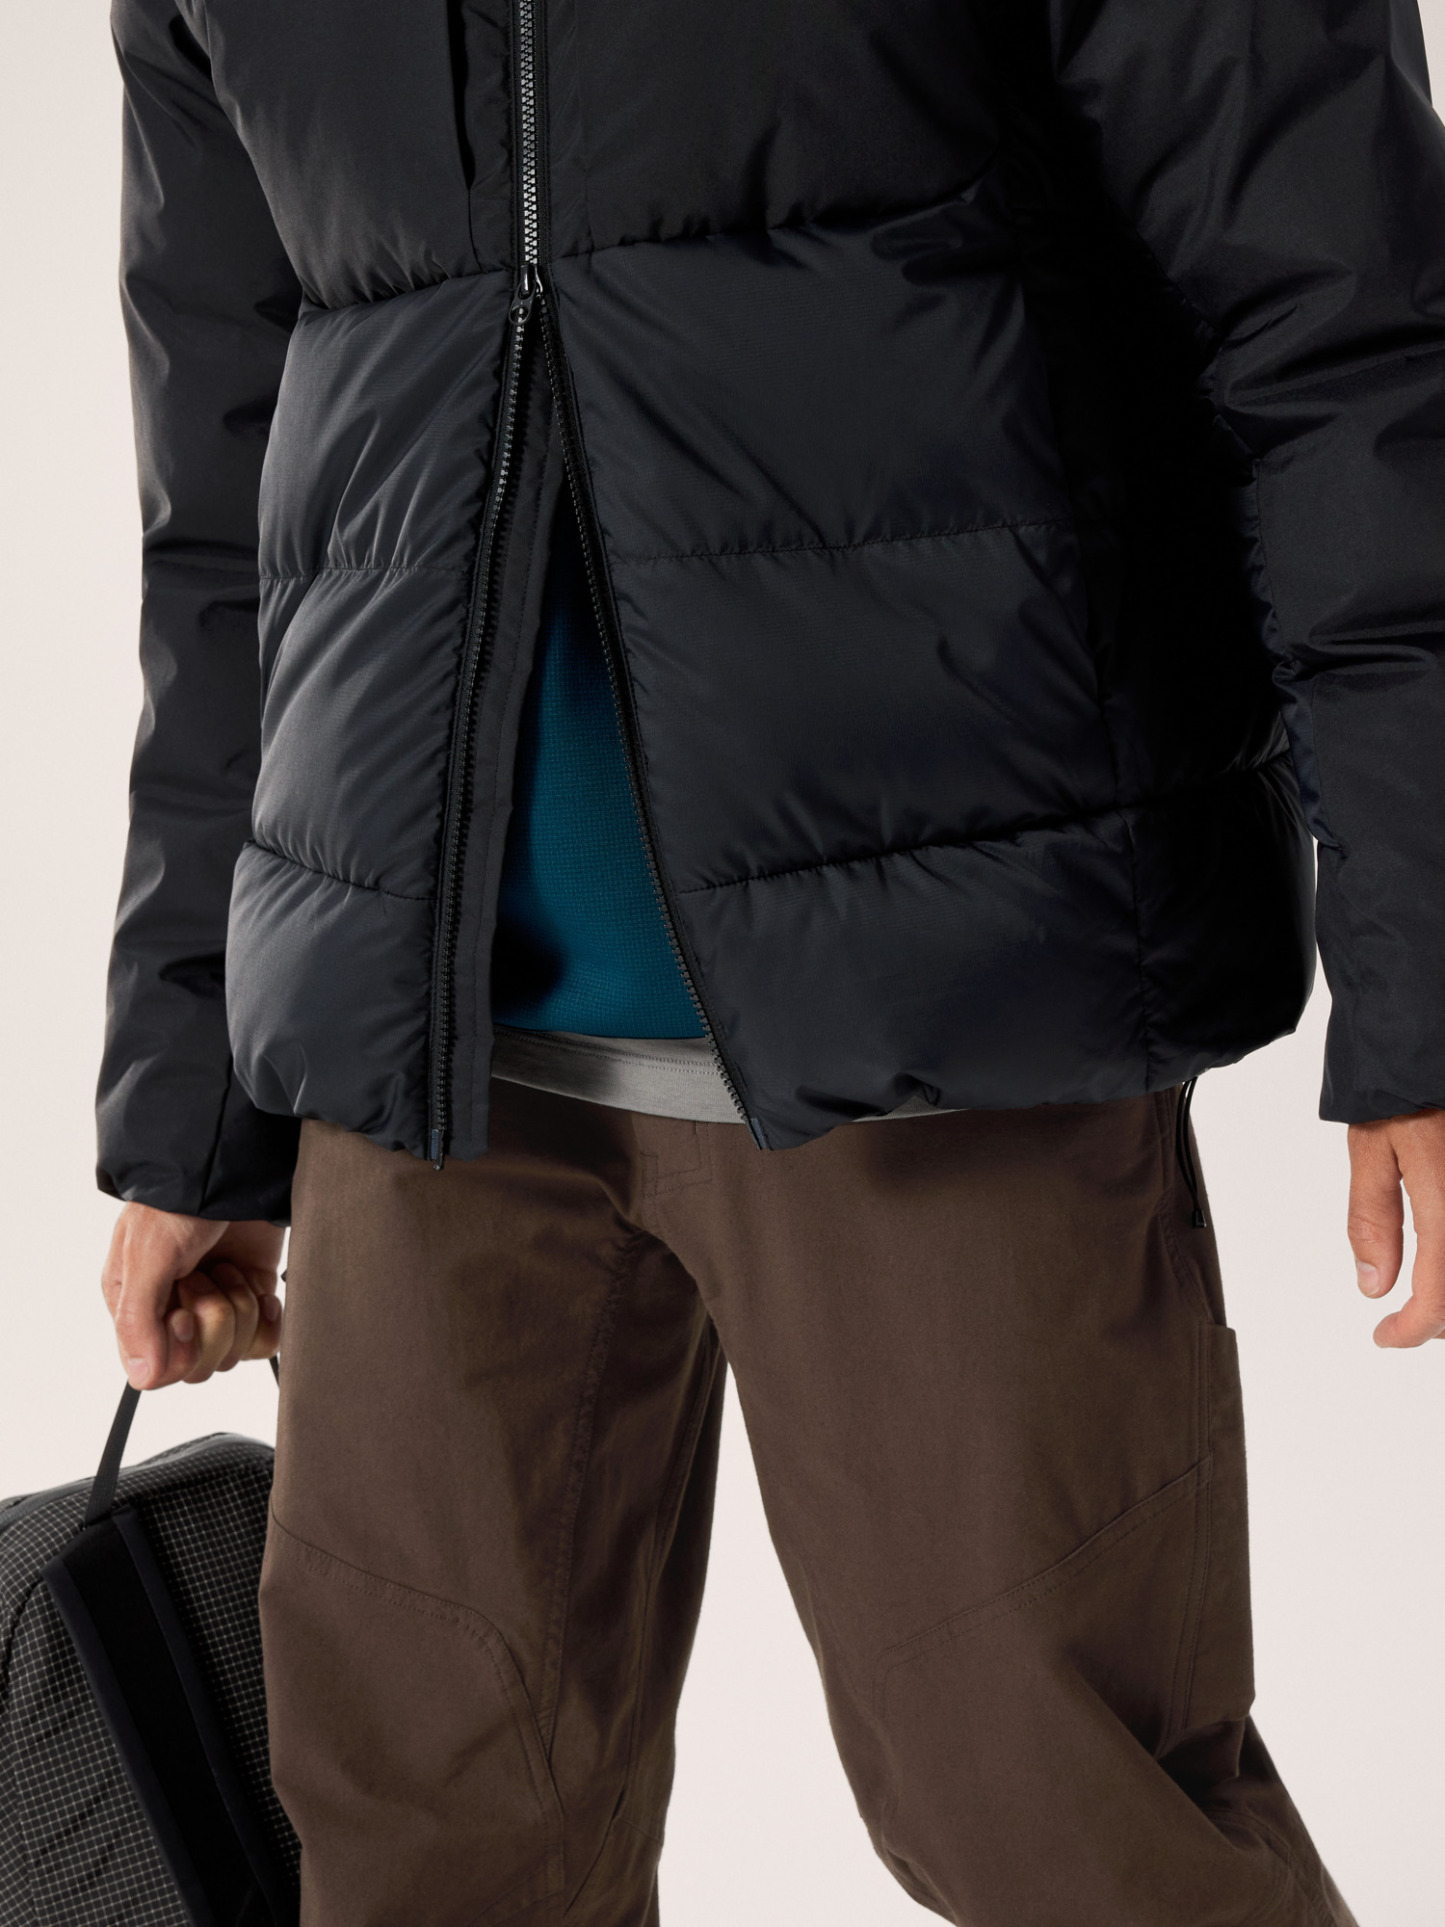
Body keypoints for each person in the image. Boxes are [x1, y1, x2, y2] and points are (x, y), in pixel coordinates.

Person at [95, 0, 1445, 1920]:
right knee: (417, 1856)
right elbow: (226, 505)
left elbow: (1353, 340)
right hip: (427, 1058)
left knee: (1062, 1831)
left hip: (950, 1008)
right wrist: (194, 1102)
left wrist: (1424, 967)